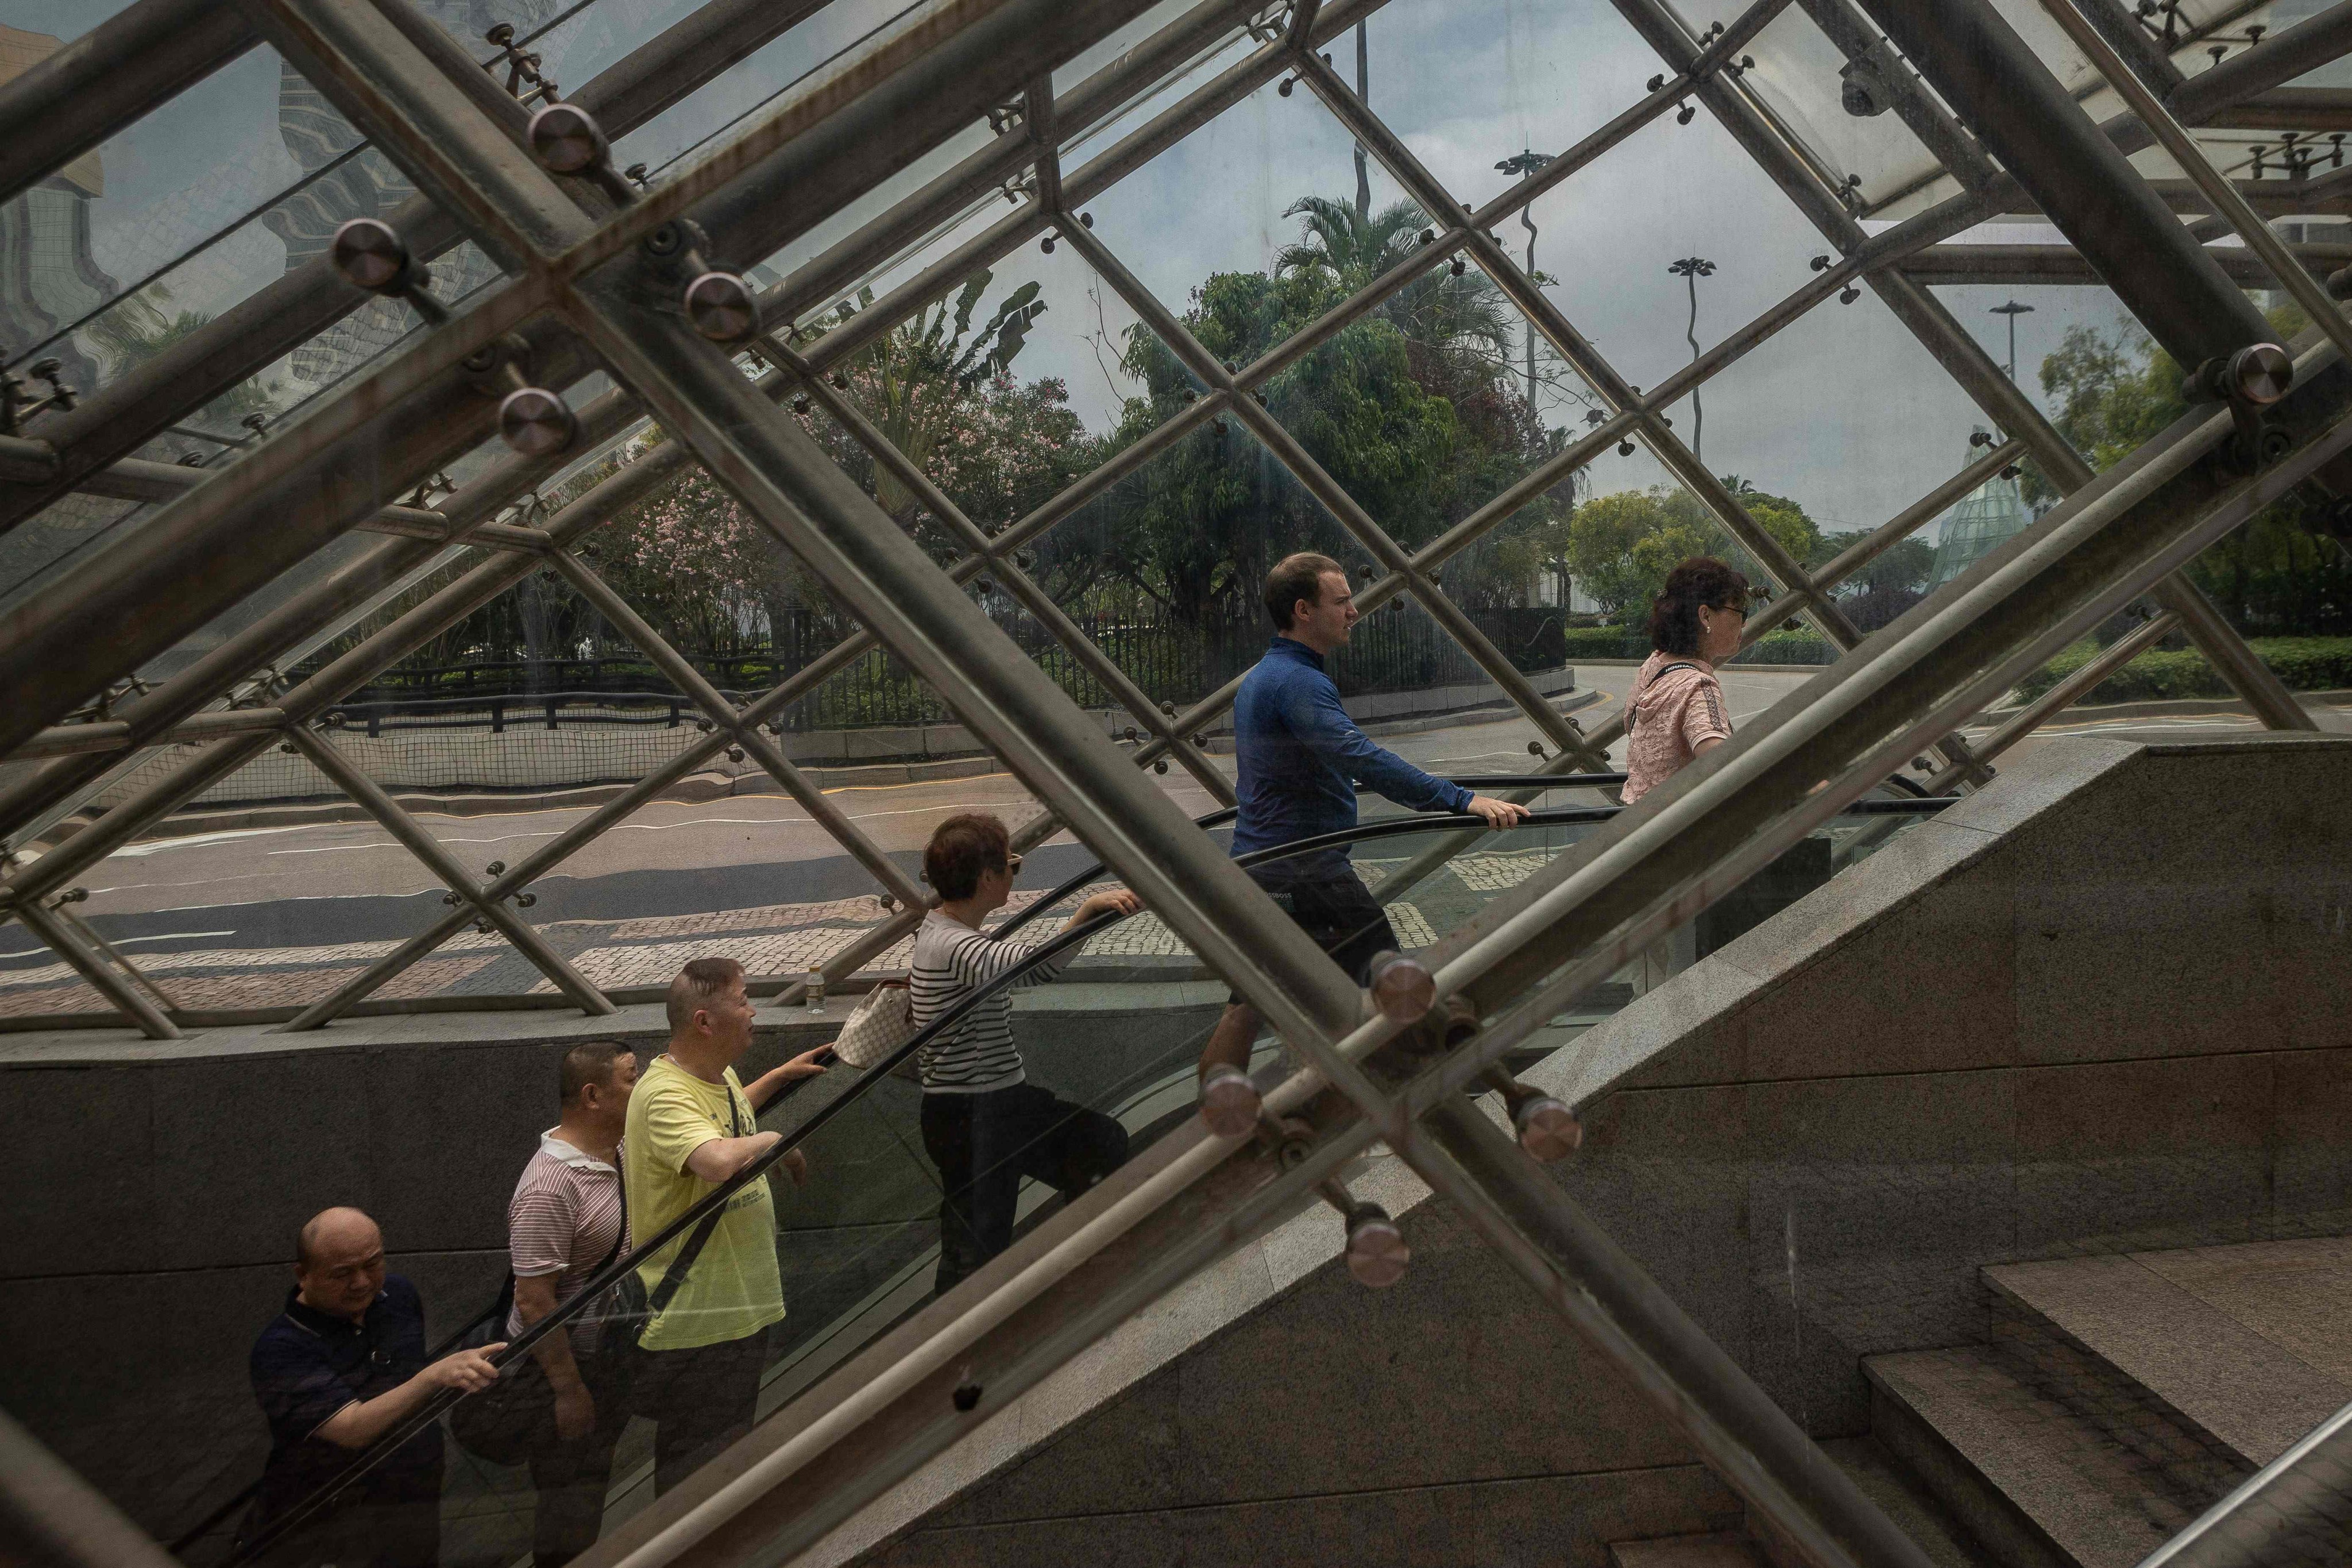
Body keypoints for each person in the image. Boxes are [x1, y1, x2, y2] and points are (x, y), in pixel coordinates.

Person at [1195, 553, 1530, 1134]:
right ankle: (1444, 1123)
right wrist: (1460, 799)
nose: (1355, 611)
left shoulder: (1268, 676)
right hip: (1310, 875)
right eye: (1341, 600)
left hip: (1265, 864)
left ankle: (1217, 1129)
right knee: (1401, 996)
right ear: (1303, 611)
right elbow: (1359, 757)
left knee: (1249, 1003)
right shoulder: (1299, 681)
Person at [624, 957, 832, 1494]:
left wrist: (780, 1078)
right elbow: (717, 1160)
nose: (751, 1010)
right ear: (704, 1022)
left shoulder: (716, 1076)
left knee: (727, 1467)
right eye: (741, 1001)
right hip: (700, 1324)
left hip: (739, 1311)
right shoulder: (662, 1094)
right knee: (695, 1479)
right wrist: (775, 1141)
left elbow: (730, 1112)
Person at [913, 812, 1141, 1293]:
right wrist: (1084, 915)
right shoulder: (952, 944)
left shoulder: (945, 934)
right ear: (987, 878)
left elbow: (1015, 967)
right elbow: (1027, 968)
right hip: (975, 1114)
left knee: (977, 1241)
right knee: (975, 1249)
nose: (1017, 875)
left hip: (990, 1109)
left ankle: (1058, 1277)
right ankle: (966, 1343)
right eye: (1012, 866)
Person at [245, 1207, 503, 1568]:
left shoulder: (397, 1296)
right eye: (343, 1273)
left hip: (415, 1496)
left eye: (372, 1264)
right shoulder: (282, 1349)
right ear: (303, 1276)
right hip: (338, 1516)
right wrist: (433, 1377)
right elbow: (352, 1428)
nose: (362, 1282)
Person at [504, 1041, 638, 1567]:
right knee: (568, 1516)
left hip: (609, 1357)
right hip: (569, 1370)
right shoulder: (549, 1187)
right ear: (592, 1096)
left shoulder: (620, 1149)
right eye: (631, 1078)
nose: (642, 1087)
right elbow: (535, 1303)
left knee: (591, 1491)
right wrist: (569, 1391)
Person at [1620, 557, 1748, 805]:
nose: (1745, 623)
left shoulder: (1653, 666)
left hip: (1638, 823)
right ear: (1706, 616)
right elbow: (1720, 761)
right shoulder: (1698, 686)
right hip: (1680, 830)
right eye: (1741, 612)